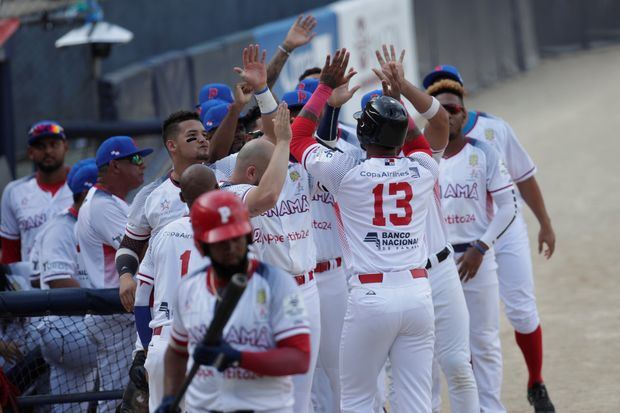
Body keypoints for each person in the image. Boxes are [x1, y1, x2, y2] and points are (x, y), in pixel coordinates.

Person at [290, 49, 442, 413]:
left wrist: (324, 89)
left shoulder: (347, 173)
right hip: (419, 292)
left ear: (362, 132)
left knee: (356, 399)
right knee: (416, 402)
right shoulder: (423, 169)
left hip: (371, 296)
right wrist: (397, 97)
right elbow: (420, 142)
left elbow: (297, 139)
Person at [424, 65, 556, 412]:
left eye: (451, 103)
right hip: (451, 245)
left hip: (500, 227)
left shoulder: (492, 132)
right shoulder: (425, 145)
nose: (445, 109)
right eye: (435, 99)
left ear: (463, 104)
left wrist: (544, 222)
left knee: (520, 311)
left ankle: (535, 382)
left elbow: (523, 180)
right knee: (454, 339)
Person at [155, 191, 311, 413]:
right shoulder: (189, 289)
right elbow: (177, 351)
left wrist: (238, 358)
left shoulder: (278, 284)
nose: (231, 249)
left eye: (235, 238)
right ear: (202, 246)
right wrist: (169, 397)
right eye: (221, 242)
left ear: (248, 236)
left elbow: (299, 358)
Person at [433, 82, 519, 412]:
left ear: (463, 114)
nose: (447, 115)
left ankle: (491, 408)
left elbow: (508, 207)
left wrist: (481, 247)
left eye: (452, 109)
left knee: (483, 341)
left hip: (476, 258)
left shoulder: (483, 151)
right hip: (438, 263)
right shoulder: (425, 156)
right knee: (449, 348)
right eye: (439, 109)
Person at [76, 135, 152, 413]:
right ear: (115, 165)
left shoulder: (107, 201)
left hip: (116, 311)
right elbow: (141, 251)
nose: (142, 164)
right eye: (134, 158)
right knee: (121, 399)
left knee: (125, 396)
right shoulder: (102, 205)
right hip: (115, 313)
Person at [134, 164, 218, 411]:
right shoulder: (226, 236)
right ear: (217, 190)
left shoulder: (162, 235)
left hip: (163, 345)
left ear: (181, 197)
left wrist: (150, 349)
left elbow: (141, 300)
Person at [116, 110, 217, 313]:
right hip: (168, 305)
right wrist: (126, 276)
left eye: (204, 135)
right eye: (192, 137)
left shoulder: (227, 177)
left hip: (216, 296)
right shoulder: (150, 195)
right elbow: (129, 245)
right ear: (172, 146)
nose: (202, 140)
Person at [35, 159, 98, 413]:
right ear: (85, 193)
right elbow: (57, 280)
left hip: (82, 325)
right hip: (66, 329)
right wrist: (100, 303)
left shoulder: (92, 223)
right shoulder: (61, 227)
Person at [0, 121, 72, 285]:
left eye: (54, 144)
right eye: (40, 146)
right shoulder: (14, 192)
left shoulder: (85, 186)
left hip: (77, 285)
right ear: (30, 152)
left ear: (65, 147)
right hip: (33, 294)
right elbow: (10, 255)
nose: (48, 151)